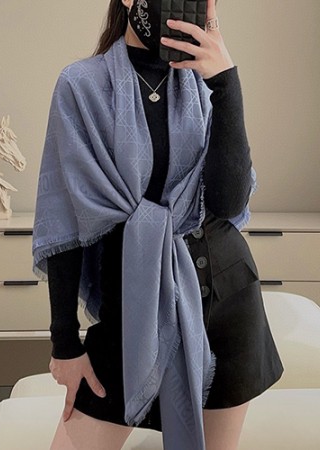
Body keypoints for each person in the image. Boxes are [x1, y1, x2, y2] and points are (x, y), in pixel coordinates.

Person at [32, 1, 284, 449]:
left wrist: (226, 82)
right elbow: (63, 221)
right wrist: (65, 344)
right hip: (130, 309)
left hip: (226, 308)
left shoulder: (207, 82)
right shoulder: (82, 85)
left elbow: (227, 202)